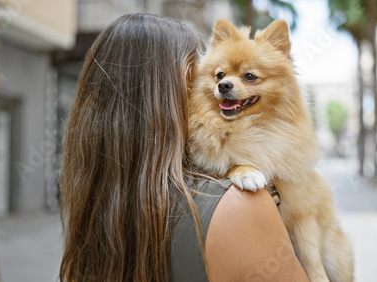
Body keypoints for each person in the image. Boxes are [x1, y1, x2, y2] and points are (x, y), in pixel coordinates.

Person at [59, 13, 309, 282]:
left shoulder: (91, 209)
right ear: (168, 94)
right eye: (205, 74)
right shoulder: (238, 205)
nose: (219, 86)